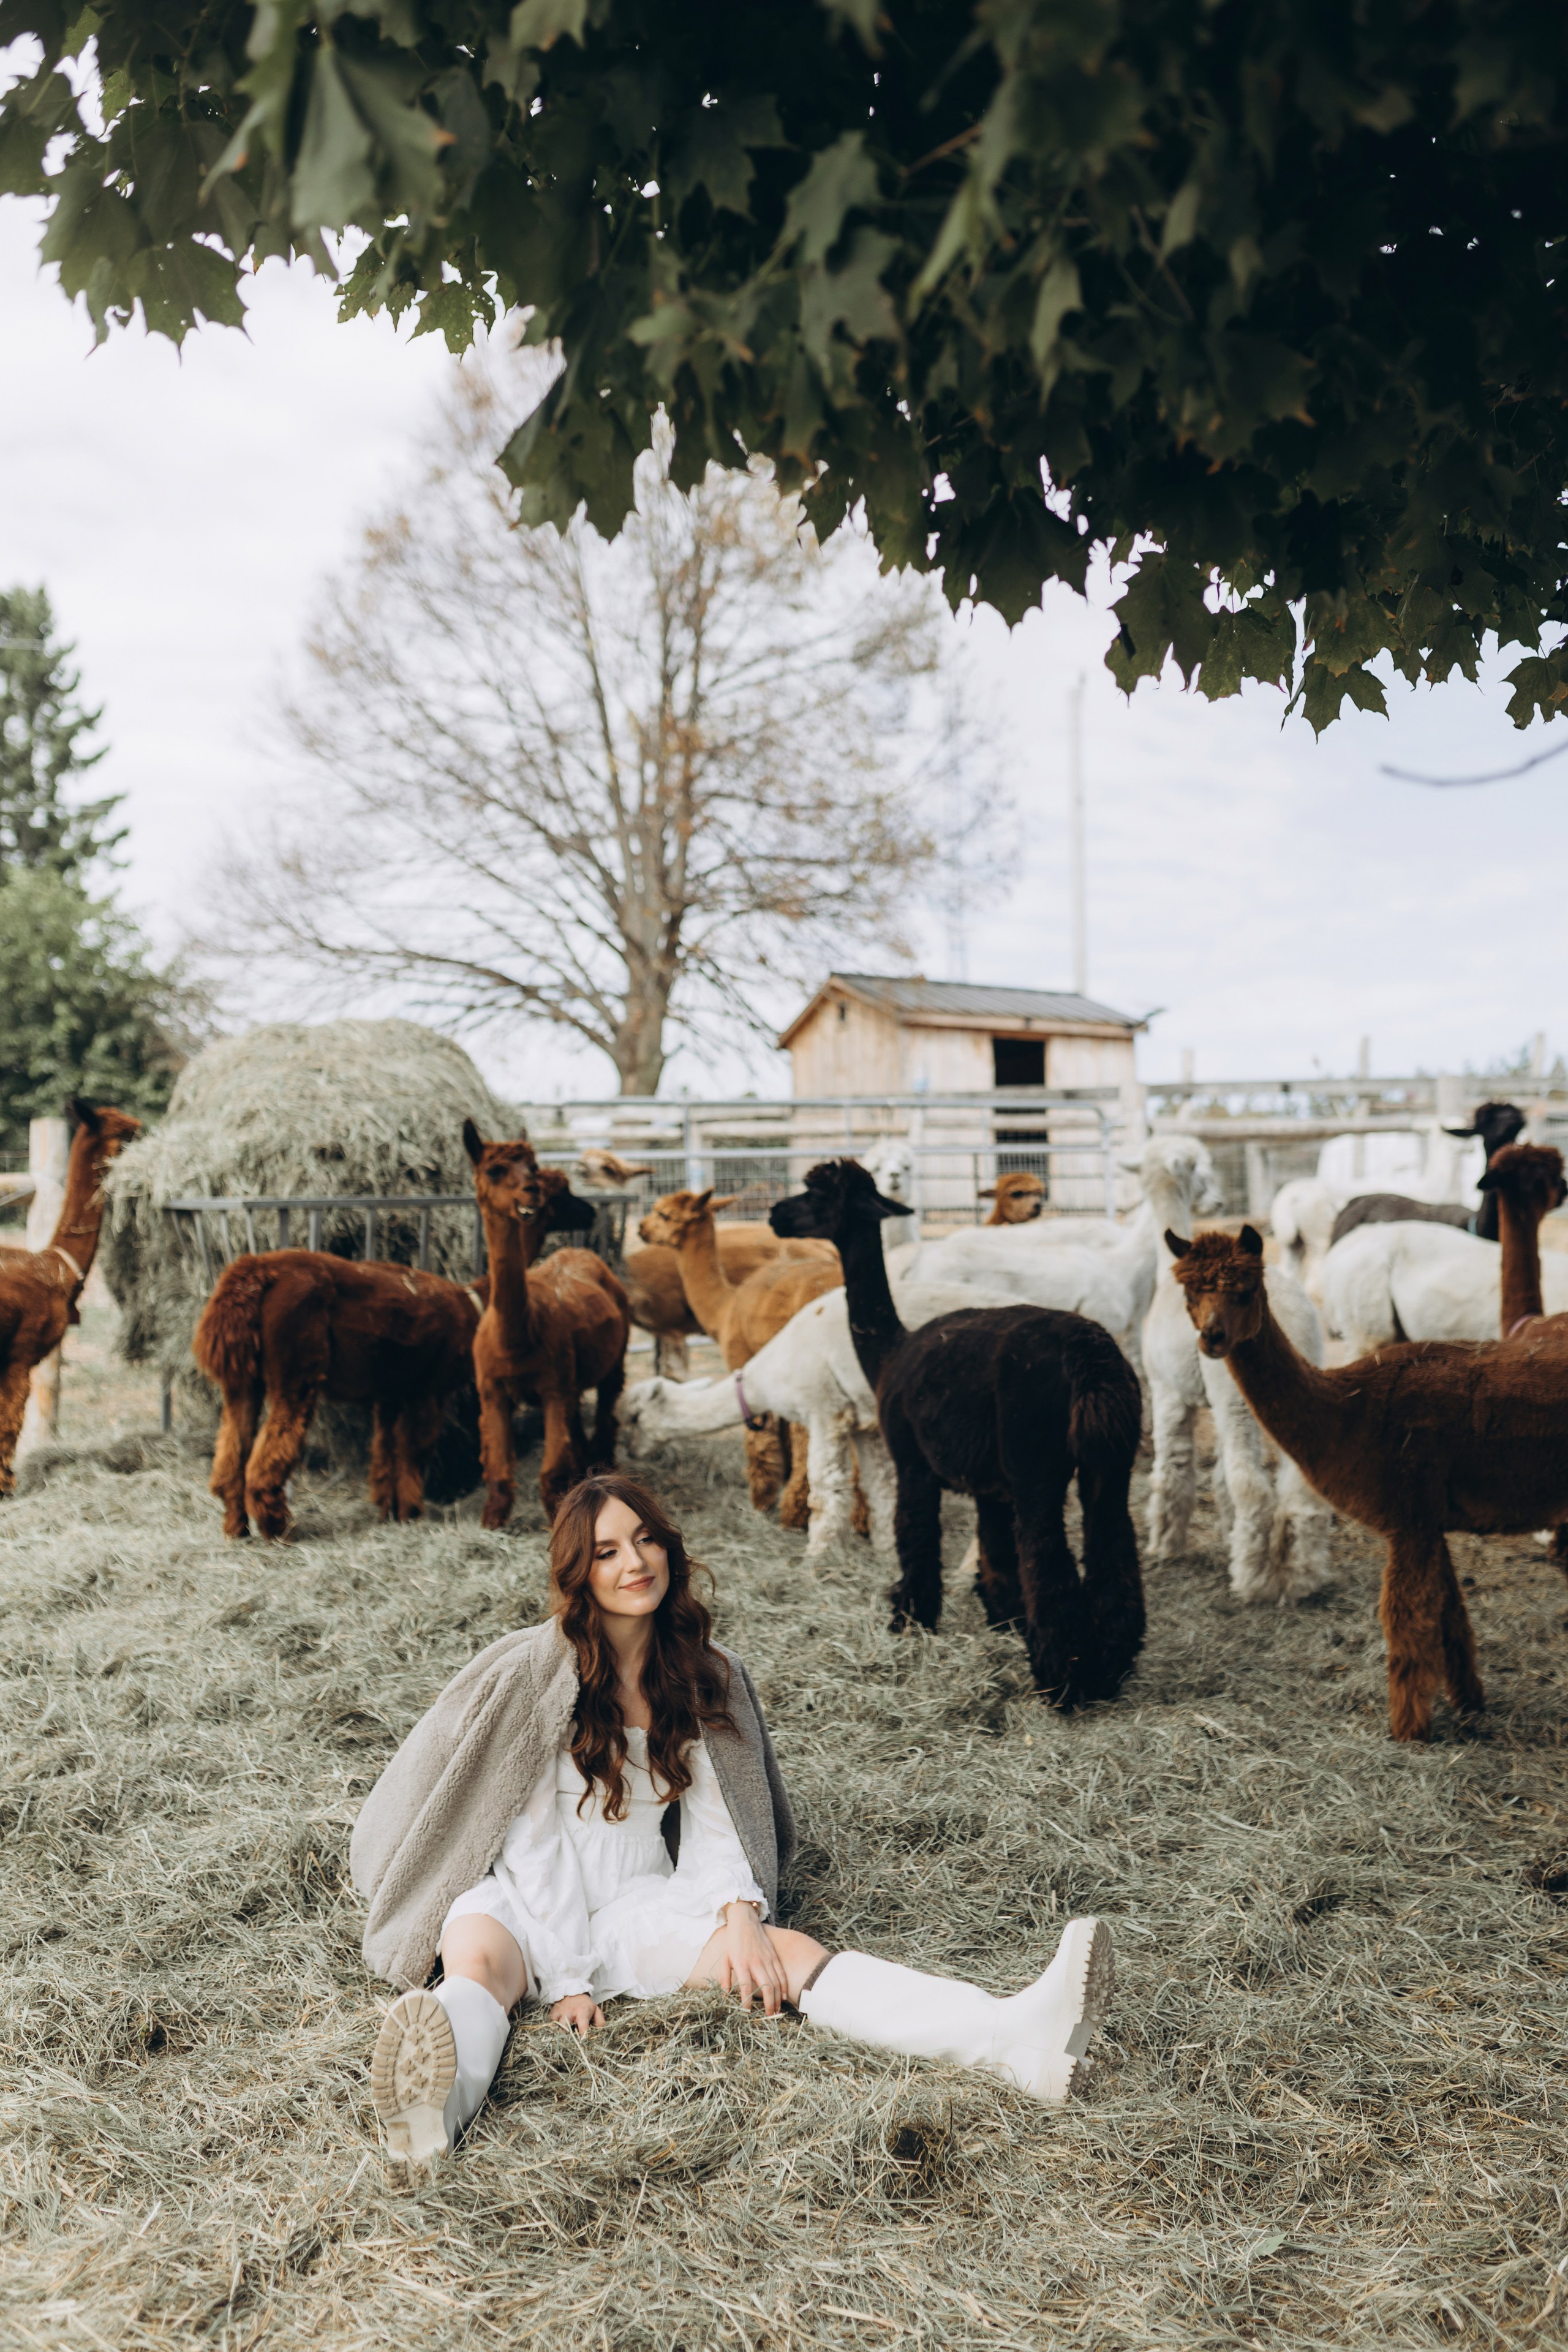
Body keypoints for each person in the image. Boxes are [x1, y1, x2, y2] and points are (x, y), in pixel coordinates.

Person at [352, 1472, 1114, 2162]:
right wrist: (569, 1979)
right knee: (478, 1961)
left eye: (645, 1539)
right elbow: (530, 1842)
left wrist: (740, 1911)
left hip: (638, 1892)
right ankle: (428, 2122)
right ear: (578, 1573)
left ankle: (1013, 2040)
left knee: (788, 1953)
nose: (634, 1563)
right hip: (523, 1896)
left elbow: (720, 1822)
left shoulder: (703, 1672)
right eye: (608, 1551)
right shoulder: (540, 1673)